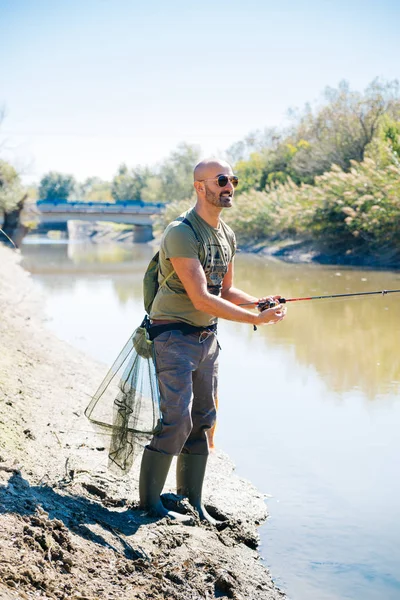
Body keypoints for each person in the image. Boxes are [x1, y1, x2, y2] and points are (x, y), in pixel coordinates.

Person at [139, 158, 286, 524]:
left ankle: (192, 501)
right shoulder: (181, 232)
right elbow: (202, 297)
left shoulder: (227, 234)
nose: (229, 186)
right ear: (200, 186)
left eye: (232, 179)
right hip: (172, 334)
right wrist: (255, 319)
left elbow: (227, 290)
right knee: (177, 420)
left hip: (207, 339)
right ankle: (150, 504)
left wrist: (259, 302)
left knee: (203, 419)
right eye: (222, 180)